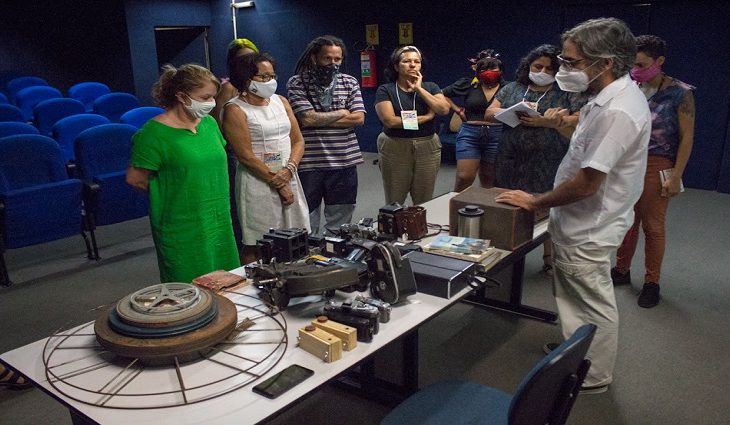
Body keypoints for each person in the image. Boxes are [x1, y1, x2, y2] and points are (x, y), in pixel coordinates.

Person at [495, 18, 651, 394]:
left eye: (571, 62)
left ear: (606, 62)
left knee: (590, 299)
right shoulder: (603, 97)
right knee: (575, 297)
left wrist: (536, 201)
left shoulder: (618, 110)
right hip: (580, 218)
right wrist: (558, 126)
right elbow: (583, 149)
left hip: (590, 223)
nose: (563, 68)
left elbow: (586, 184)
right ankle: (575, 351)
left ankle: (592, 374)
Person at [126, 64, 240, 283]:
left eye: (213, 97)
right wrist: (173, 188)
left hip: (218, 219)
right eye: (205, 97)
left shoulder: (209, 124)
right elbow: (136, 178)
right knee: (189, 289)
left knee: (227, 283)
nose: (211, 103)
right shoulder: (153, 134)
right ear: (181, 96)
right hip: (181, 225)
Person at [486, 44, 586, 274]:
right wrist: (510, 113)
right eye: (537, 66)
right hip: (510, 157)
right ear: (528, 65)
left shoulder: (566, 92)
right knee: (506, 202)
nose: (542, 71)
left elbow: (580, 117)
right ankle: (503, 252)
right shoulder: (512, 88)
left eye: (549, 68)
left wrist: (547, 121)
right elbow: (489, 112)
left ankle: (549, 258)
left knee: (548, 206)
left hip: (548, 159)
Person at [613, 35, 695, 308]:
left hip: (657, 163)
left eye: (641, 64)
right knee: (627, 222)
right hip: (627, 162)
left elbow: (687, 138)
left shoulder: (680, 93)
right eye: (632, 64)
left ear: (659, 61)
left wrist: (676, 175)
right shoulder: (629, 87)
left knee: (653, 226)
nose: (635, 69)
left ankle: (652, 282)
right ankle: (621, 270)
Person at [222, 53, 310, 263]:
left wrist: (288, 170)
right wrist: (279, 183)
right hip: (257, 181)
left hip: (289, 174)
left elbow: (298, 140)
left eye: (272, 76)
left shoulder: (281, 101)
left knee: (295, 234)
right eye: (263, 77)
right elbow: (245, 156)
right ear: (246, 79)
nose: (270, 81)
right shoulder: (235, 109)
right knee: (257, 242)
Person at [286, 35, 366, 236]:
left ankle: (334, 251)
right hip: (310, 164)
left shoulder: (349, 82)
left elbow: (358, 118)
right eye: (327, 58)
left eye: (337, 59)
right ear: (314, 58)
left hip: (344, 162)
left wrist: (318, 118)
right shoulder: (297, 82)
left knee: (340, 223)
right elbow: (307, 119)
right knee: (306, 220)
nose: (332, 64)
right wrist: (342, 112)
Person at [374, 45, 450, 205]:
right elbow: (389, 121)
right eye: (407, 61)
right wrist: (426, 117)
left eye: (417, 61)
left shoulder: (431, 87)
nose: (413, 65)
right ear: (396, 66)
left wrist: (419, 89)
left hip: (427, 145)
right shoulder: (386, 89)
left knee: (424, 198)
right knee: (395, 198)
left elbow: (443, 109)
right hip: (395, 145)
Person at [212, 38, 259, 252]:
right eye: (242, 59)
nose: (248, 62)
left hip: (260, 151)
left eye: (252, 57)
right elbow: (220, 127)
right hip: (236, 154)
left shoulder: (259, 86)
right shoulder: (229, 88)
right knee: (241, 204)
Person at [443, 50, 505, 191]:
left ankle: (485, 204)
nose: (488, 72)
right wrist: (458, 110)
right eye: (484, 68)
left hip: (497, 134)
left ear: (500, 70)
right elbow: (440, 94)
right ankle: (456, 203)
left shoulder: (507, 88)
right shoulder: (468, 84)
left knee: (489, 178)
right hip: (470, 133)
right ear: (477, 70)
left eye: (493, 68)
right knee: (464, 177)